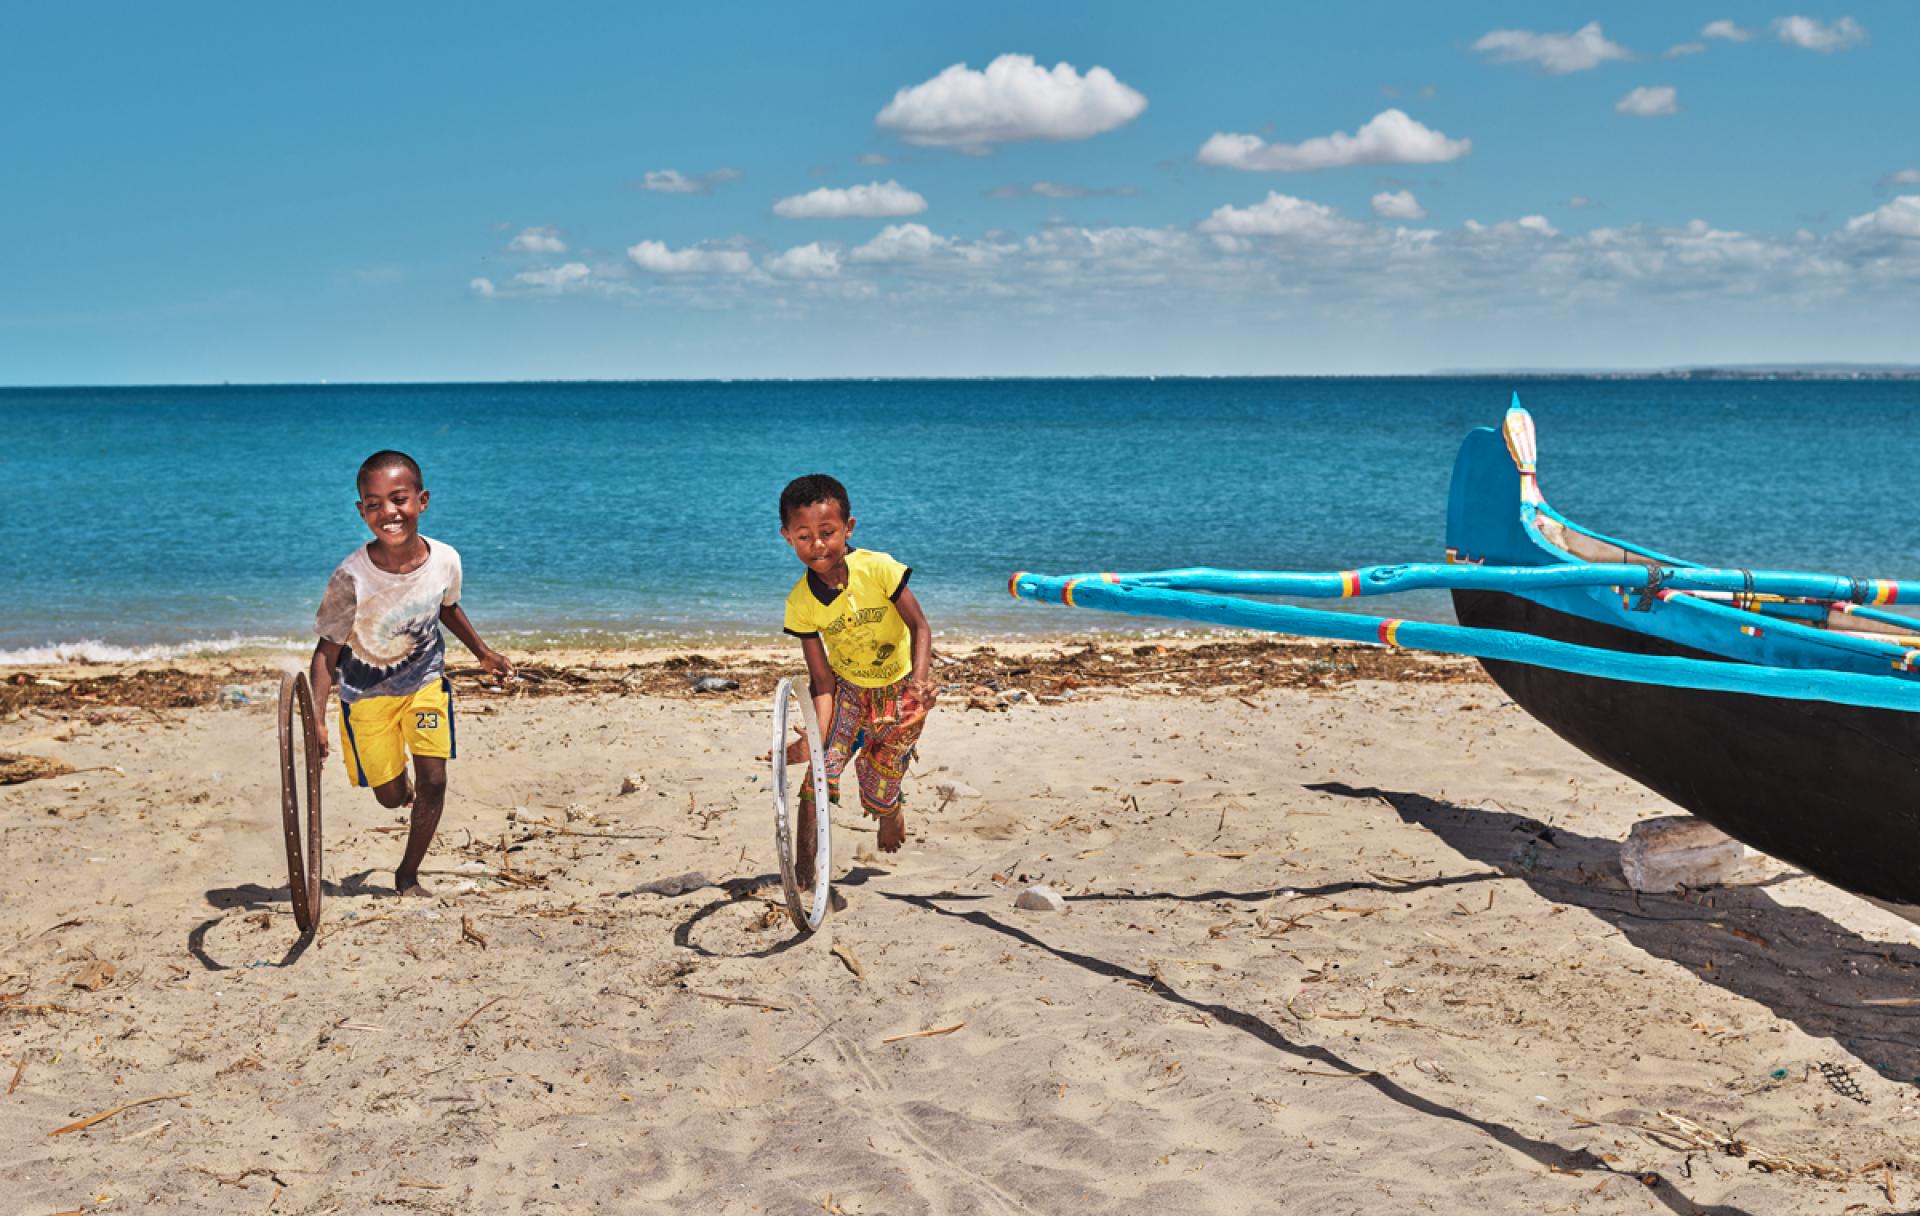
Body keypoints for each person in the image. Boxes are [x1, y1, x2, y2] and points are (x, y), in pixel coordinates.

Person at [309, 450, 512, 897]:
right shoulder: (350, 577)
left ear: (422, 500)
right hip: (365, 698)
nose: (389, 512)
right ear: (361, 511)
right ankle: (399, 790)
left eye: (398, 499)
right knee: (388, 794)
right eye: (374, 503)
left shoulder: (445, 559)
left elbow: (447, 608)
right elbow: (326, 652)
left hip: (424, 684)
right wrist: (317, 717)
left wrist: (483, 653)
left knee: (435, 781)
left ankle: (407, 875)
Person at [779, 474, 935, 884]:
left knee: (877, 781)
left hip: (900, 692)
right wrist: (816, 737)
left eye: (827, 533)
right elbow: (822, 681)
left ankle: (890, 809)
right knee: (819, 776)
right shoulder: (800, 603)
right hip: (846, 690)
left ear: (847, 528)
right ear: (787, 537)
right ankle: (803, 872)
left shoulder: (879, 568)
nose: (817, 545)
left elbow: (920, 627)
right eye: (804, 536)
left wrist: (919, 684)